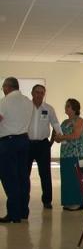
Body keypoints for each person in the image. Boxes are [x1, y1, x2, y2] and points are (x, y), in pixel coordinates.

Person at [0, 77, 33, 223]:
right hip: (24, 141)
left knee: (9, 178)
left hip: (8, 143)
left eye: (3, 87)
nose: (3, 90)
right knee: (23, 177)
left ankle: (14, 214)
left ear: (8, 87)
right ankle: (23, 212)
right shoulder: (27, 101)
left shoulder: (5, 101)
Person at [28, 84, 62, 209]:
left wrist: (58, 137)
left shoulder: (48, 108)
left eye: (42, 92)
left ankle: (47, 200)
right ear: (32, 93)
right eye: (37, 92)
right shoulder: (26, 107)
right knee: (25, 174)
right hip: (28, 144)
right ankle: (24, 198)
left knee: (45, 174)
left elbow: (55, 124)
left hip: (43, 145)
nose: (39, 94)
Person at [55, 98, 83, 211]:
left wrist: (62, 137)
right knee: (67, 178)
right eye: (66, 106)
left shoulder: (79, 120)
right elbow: (60, 136)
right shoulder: (64, 122)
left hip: (78, 153)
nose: (66, 108)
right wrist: (57, 138)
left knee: (77, 178)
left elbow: (76, 135)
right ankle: (69, 201)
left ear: (74, 108)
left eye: (68, 106)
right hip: (66, 154)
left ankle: (79, 202)